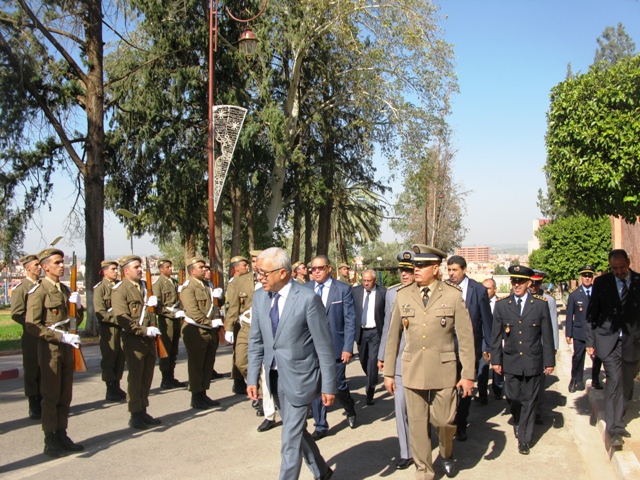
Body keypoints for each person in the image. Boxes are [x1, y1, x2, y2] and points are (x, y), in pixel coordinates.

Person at [384, 244, 475, 479]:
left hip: (444, 371)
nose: (416, 269)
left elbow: (465, 339)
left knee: (444, 422)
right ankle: (423, 470)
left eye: (422, 265)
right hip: (412, 371)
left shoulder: (453, 296)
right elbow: (393, 336)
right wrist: (389, 373)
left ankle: (446, 452)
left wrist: (467, 375)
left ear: (436, 268)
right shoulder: (403, 295)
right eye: (415, 265)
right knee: (416, 426)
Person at [247, 247, 336, 480]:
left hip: (301, 379)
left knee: (289, 439)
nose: (260, 277)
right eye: (258, 272)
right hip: (275, 378)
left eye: (264, 273)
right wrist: (252, 377)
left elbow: (324, 347)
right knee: (294, 430)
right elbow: (256, 340)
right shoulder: (259, 297)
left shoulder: (307, 299)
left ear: (283, 273)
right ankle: (322, 470)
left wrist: (328, 385)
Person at [25, 248, 84, 457]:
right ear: (45, 267)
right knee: (50, 395)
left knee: (65, 394)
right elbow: (32, 325)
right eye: (57, 262)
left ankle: (62, 433)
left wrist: (78, 307)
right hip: (50, 348)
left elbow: (75, 321)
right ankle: (50, 438)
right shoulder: (39, 291)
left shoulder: (66, 290)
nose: (62, 266)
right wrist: (60, 337)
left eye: (63, 262)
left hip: (67, 349)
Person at [491, 265, 555, 455]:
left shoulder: (540, 304)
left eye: (520, 281)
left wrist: (549, 362)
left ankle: (524, 439)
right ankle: (517, 419)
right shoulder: (503, 305)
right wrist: (496, 360)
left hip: (533, 360)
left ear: (529, 283)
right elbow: (496, 336)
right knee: (513, 397)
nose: (516, 285)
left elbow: (547, 336)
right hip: (510, 361)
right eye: (514, 281)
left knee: (530, 399)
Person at [586, 249, 640, 448]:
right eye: (614, 268)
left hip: (632, 342)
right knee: (614, 382)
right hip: (608, 341)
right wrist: (590, 342)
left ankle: (619, 419)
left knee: (626, 385)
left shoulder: (638, 282)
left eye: (622, 267)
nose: (618, 272)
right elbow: (592, 313)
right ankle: (614, 429)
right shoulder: (602, 283)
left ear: (629, 262)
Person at [306, 255, 357, 439]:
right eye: (313, 269)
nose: (316, 272)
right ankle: (320, 425)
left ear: (328, 268)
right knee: (317, 385)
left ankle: (350, 409)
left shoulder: (342, 289)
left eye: (320, 268)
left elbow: (350, 320)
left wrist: (347, 347)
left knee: (338, 384)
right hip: (312, 348)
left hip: (335, 347)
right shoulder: (307, 289)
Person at [112, 255, 162, 429]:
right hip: (133, 339)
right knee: (135, 378)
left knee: (146, 377)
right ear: (126, 271)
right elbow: (123, 318)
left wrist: (156, 305)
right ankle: (135, 414)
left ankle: (143, 410)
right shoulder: (121, 289)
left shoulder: (144, 287)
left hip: (148, 339)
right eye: (136, 267)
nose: (140, 270)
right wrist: (143, 330)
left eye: (140, 267)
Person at [446, 255, 492, 441]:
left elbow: (486, 320)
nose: (451, 274)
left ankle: (462, 423)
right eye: (449, 270)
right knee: (448, 386)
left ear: (464, 270)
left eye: (455, 270)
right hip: (448, 345)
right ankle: (448, 421)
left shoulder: (478, 290)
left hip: (470, 345)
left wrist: (488, 346)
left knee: (465, 385)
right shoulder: (444, 288)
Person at [377, 252, 415, 470]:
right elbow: (388, 330)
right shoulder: (392, 294)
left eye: (409, 270)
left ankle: (419, 443)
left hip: (420, 360)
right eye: (402, 270)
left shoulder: (425, 293)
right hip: (399, 359)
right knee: (400, 408)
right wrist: (383, 356)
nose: (404, 274)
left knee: (420, 409)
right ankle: (405, 452)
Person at [180, 256, 223, 409]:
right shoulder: (188, 287)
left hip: (209, 330)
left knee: (207, 363)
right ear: (192, 271)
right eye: (201, 267)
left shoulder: (208, 285)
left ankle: (203, 393)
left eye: (205, 267)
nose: (205, 269)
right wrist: (210, 323)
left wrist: (220, 297)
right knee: (196, 364)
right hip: (195, 330)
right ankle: (196, 396)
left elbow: (215, 305)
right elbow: (193, 312)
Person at [11, 254, 42, 419]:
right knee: (32, 369)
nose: (39, 267)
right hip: (31, 335)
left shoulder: (43, 286)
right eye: (36, 265)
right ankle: (33, 402)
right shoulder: (21, 289)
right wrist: (31, 323)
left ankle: (44, 399)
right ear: (28, 268)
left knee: (45, 369)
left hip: (45, 334)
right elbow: (16, 313)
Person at [352, 269, 386, 405]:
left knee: (373, 360)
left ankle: (370, 389)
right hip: (361, 332)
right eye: (364, 280)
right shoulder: (355, 292)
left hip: (375, 332)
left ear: (375, 281)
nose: (366, 283)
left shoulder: (383, 293)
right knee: (363, 360)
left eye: (369, 281)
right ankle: (372, 377)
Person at [529, 270, 559, 425]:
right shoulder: (521, 298)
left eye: (537, 283)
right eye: (531, 283)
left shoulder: (548, 300)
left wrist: (553, 348)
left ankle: (538, 411)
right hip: (524, 347)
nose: (534, 286)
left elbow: (553, 324)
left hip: (541, 347)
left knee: (540, 383)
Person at [94, 259, 126, 402]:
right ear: (105, 271)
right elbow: (100, 312)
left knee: (120, 357)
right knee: (109, 357)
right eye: (113, 269)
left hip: (121, 328)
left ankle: (117, 385)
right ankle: (110, 388)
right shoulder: (101, 288)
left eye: (116, 269)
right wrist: (117, 319)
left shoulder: (120, 286)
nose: (116, 272)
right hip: (109, 328)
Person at [152, 258, 186, 389]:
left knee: (174, 349)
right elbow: (157, 306)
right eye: (167, 267)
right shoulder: (158, 284)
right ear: (161, 269)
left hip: (176, 319)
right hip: (166, 320)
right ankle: (165, 378)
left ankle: (171, 376)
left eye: (170, 267)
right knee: (165, 349)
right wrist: (171, 313)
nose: (170, 269)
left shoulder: (174, 282)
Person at [566, 265, 598, 392]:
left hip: (595, 332)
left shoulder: (597, 293)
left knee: (596, 357)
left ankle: (595, 379)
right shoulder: (574, 295)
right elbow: (569, 316)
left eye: (589, 276)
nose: (587, 278)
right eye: (585, 276)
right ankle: (575, 379)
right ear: (581, 277)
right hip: (579, 332)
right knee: (578, 357)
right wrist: (569, 333)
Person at [224, 255, 253, 394]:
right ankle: (238, 381)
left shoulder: (249, 280)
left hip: (246, 320)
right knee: (238, 353)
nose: (247, 267)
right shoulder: (233, 283)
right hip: (239, 321)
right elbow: (234, 304)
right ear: (236, 268)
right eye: (244, 265)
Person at [478, 278, 503, 399]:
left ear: (495, 289)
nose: (485, 291)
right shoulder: (479, 302)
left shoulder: (501, 303)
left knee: (498, 366)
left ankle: (498, 390)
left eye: (488, 288)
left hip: (498, 340)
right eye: (484, 288)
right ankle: (482, 394)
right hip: (483, 339)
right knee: (483, 367)